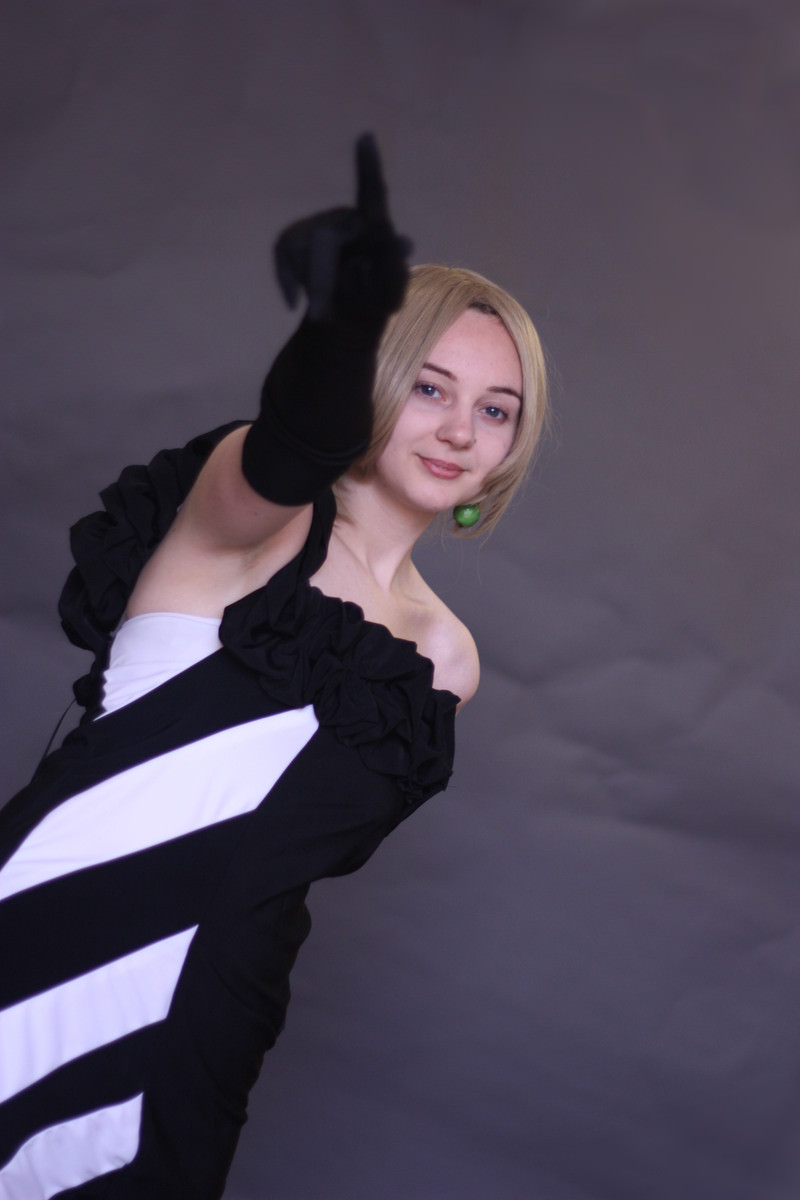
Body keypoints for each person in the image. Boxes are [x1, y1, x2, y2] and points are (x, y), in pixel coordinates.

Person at [0, 136, 547, 1198]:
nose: (459, 430)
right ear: (374, 381)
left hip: (203, 1035)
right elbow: (290, 447)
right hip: (36, 947)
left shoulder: (445, 660)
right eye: (427, 386)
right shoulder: (254, 521)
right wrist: (337, 329)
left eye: (494, 410)